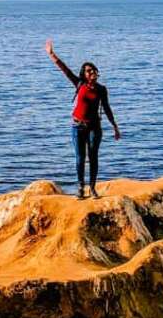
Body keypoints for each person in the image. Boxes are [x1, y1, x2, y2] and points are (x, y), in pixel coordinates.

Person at [45, 39, 121, 199]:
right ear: (84, 74)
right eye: (88, 70)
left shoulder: (101, 89)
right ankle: (80, 187)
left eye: (93, 70)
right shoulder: (79, 84)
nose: (91, 72)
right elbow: (65, 70)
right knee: (80, 158)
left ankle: (92, 188)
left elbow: (107, 108)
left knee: (93, 158)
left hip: (95, 127)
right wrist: (52, 55)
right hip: (78, 126)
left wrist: (114, 126)